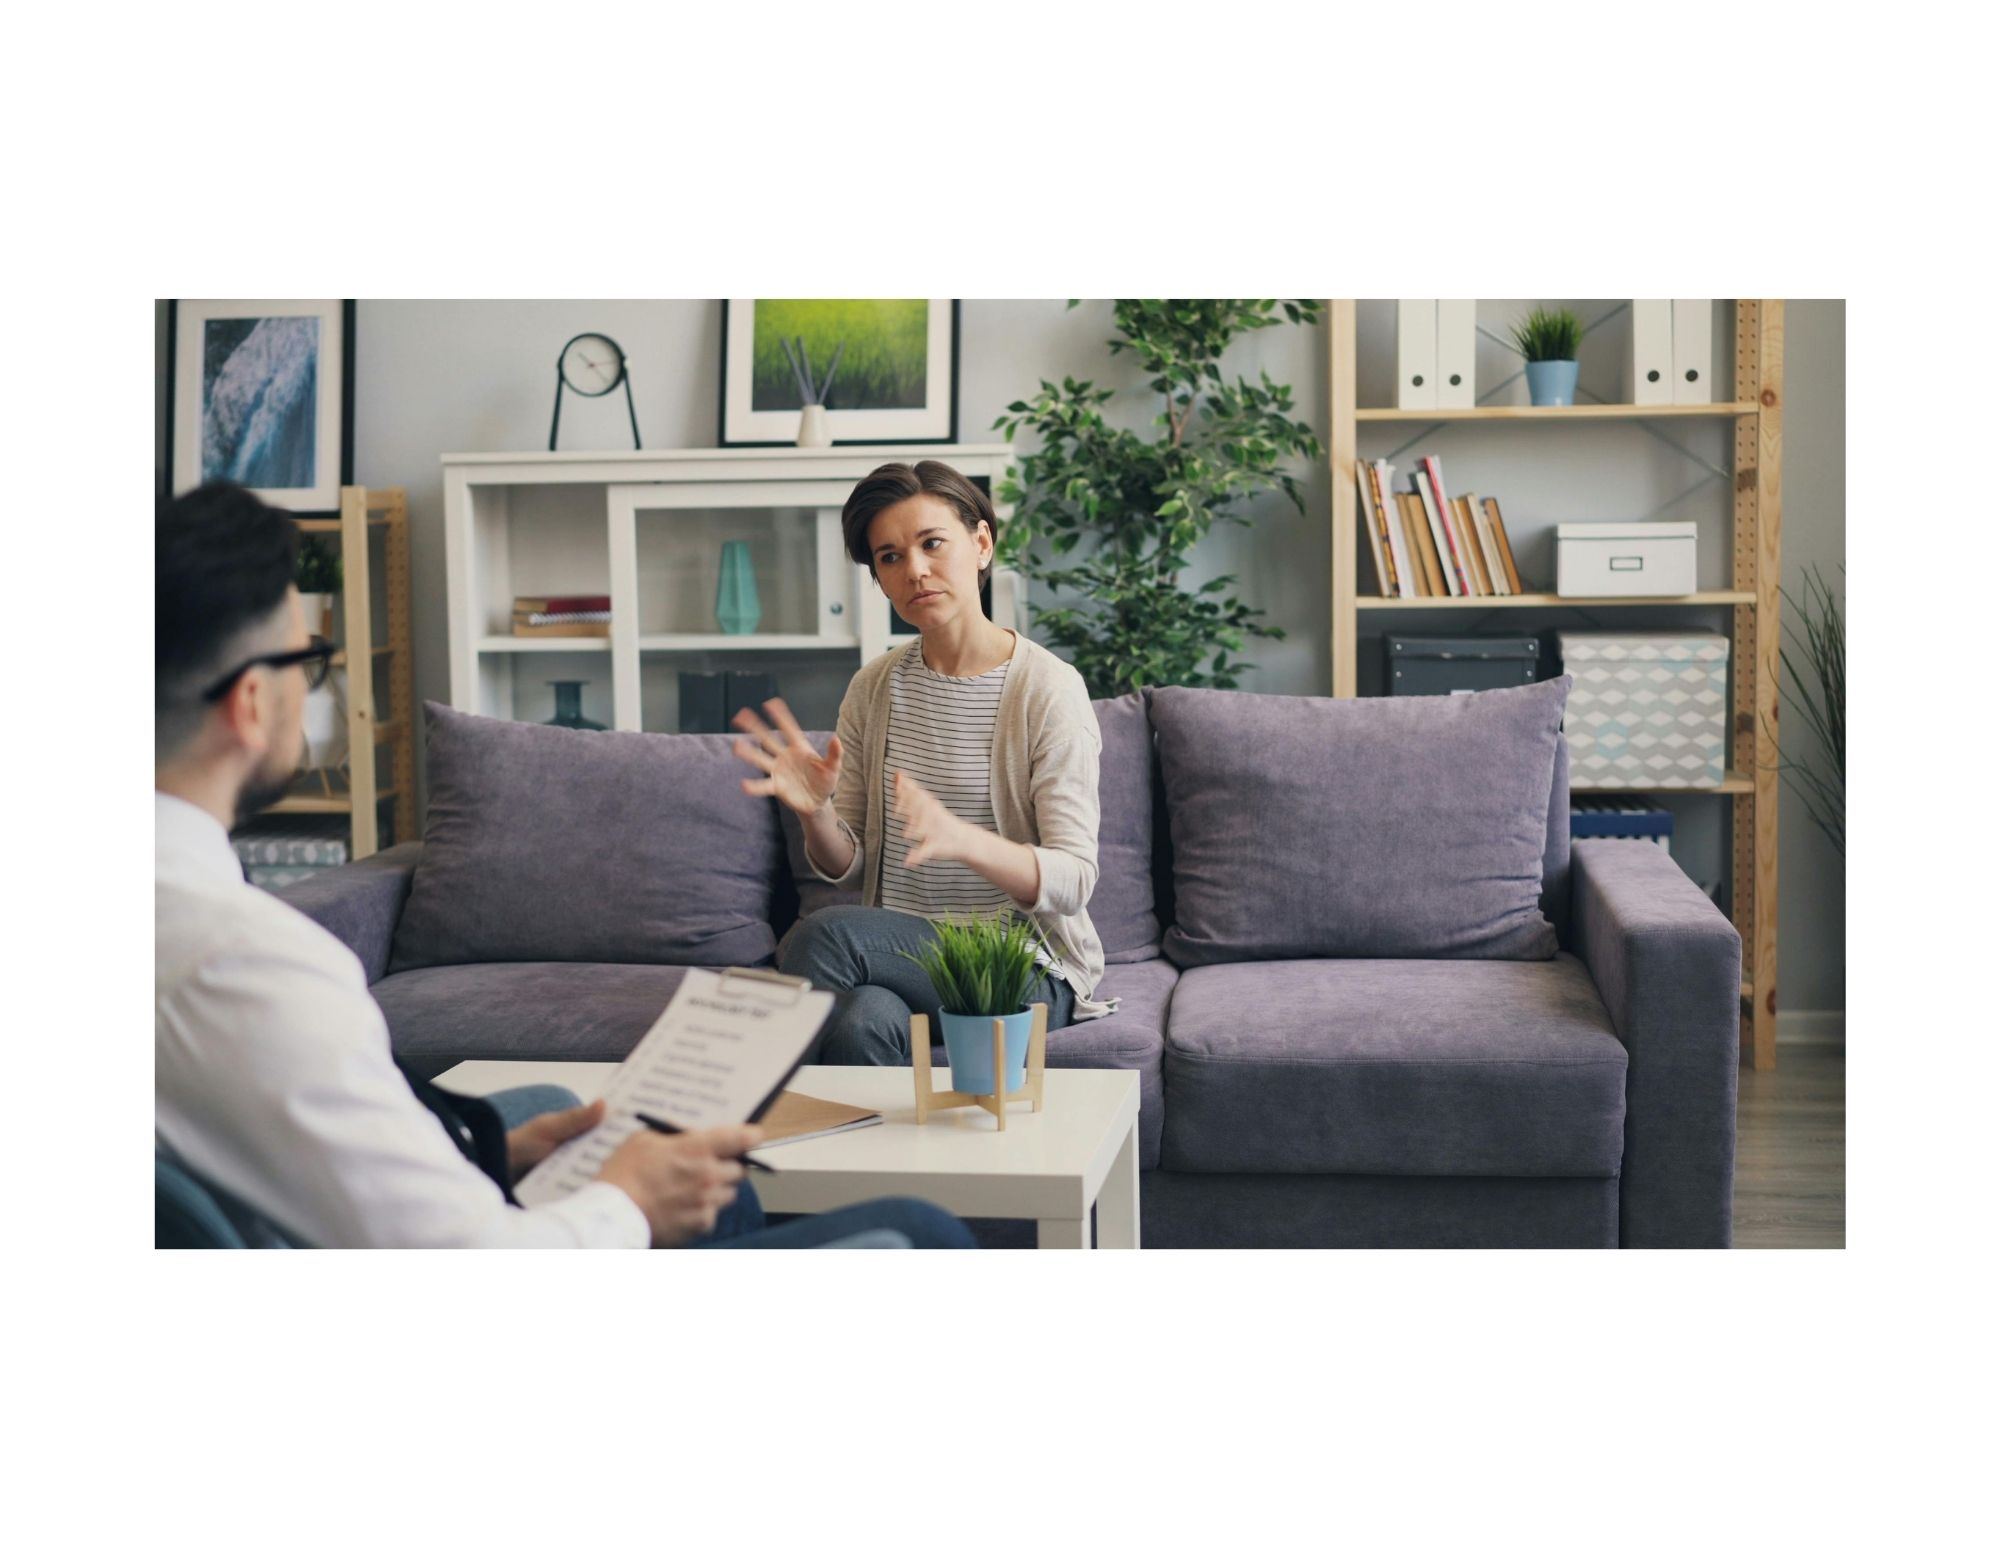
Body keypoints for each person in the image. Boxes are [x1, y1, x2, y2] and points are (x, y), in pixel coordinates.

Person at [155, 480, 973, 1249]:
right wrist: (627, 1197)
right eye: (311, 660)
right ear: (253, 702)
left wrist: (492, 1150)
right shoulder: (251, 963)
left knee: (629, 1144)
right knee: (918, 1226)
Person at [733, 460, 1119, 1067]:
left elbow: (1073, 880)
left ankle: (743, 1117)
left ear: (982, 542)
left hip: (1023, 967)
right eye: (888, 558)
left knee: (825, 934)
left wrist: (963, 840)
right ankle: (884, 1161)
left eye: (932, 543)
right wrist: (815, 813)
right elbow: (850, 865)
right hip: (905, 962)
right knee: (861, 1023)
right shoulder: (876, 687)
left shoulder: (1047, 688)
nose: (913, 570)